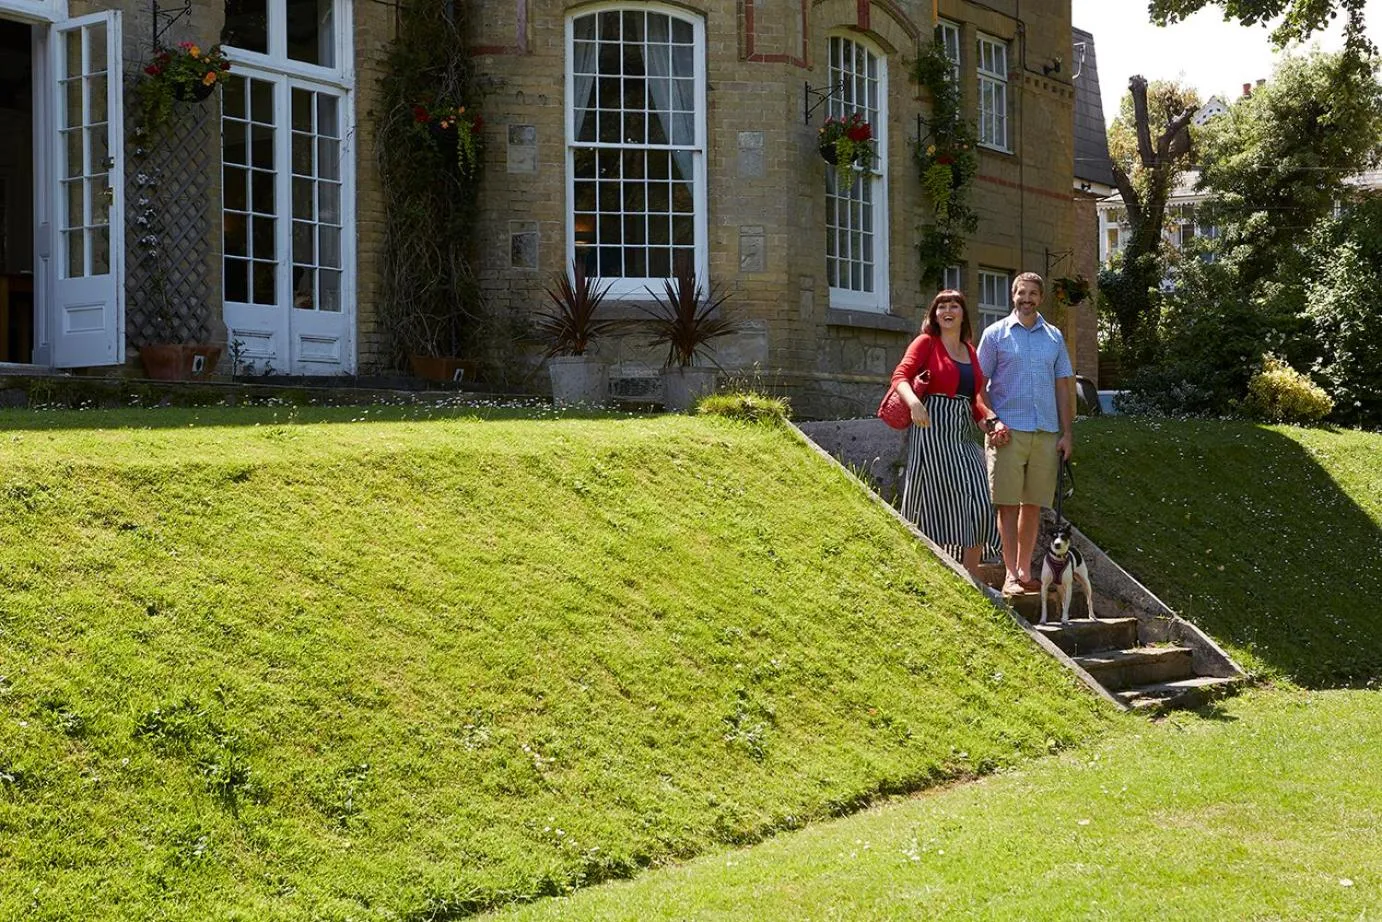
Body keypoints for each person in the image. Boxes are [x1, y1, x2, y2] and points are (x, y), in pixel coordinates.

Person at [891, 289, 1003, 579]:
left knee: (979, 498)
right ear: (934, 313)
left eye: (954, 306)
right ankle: (935, 575)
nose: (948, 311)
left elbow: (975, 397)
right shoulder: (926, 342)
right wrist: (914, 402)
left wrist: (990, 421)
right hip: (930, 427)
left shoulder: (969, 350)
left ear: (963, 313)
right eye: (942, 306)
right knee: (933, 502)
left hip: (961, 431)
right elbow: (900, 376)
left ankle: (971, 576)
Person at [976, 272, 1075, 596]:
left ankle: (1024, 570)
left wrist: (1066, 433)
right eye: (1021, 293)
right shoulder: (995, 335)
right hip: (1008, 432)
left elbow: (1063, 385)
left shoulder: (1054, 337)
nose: (1027, 299)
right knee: (1008, 505)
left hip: (1045, 432)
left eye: (1033, 293)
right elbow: (977, 385)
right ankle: (1009, 575)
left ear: (1040, 298)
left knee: (1032, 504)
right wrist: (991, 421)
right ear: (1013, 296)